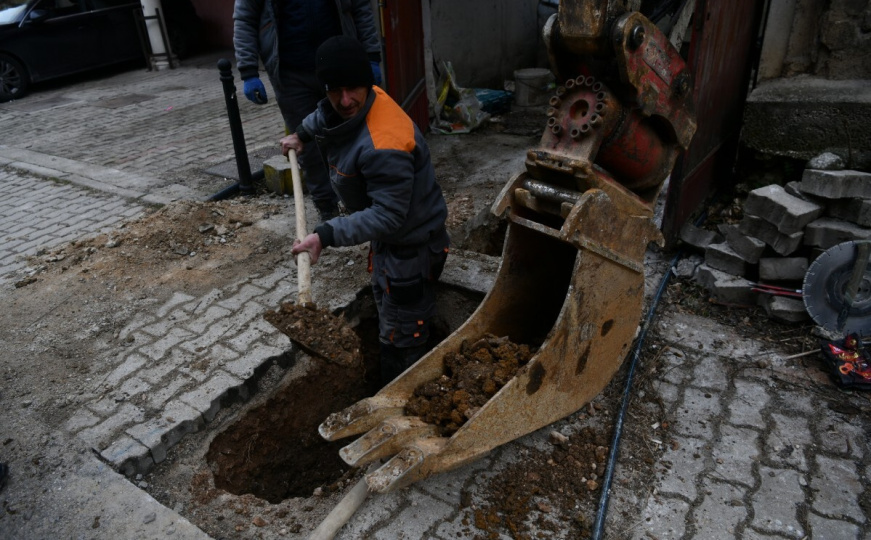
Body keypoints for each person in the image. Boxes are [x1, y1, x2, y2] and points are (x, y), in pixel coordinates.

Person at [281, 36, 450, 384]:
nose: (346, 100)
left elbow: (388, 216)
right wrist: (301, 135)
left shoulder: (384, 144)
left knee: (404, 334)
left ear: (368, 83)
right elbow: (324, 116)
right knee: (387, 306)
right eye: (335, 90)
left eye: (354, 88)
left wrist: (325, 235)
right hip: (390, 243)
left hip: (412, 247)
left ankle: (403, 389)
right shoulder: (347, 104)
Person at [233, 0, 382, 222]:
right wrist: (248, 70)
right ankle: (327, 207)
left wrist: (371, 55)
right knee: (308, 145)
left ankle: (366, 200)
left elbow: (361, 8)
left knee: (355, 133)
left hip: (339, 67)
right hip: (291, 72)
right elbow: (245, 17)